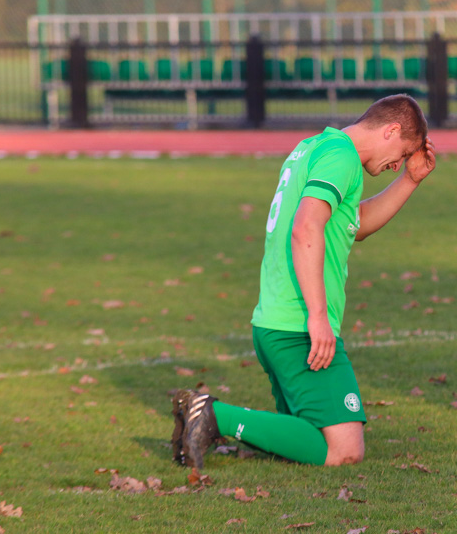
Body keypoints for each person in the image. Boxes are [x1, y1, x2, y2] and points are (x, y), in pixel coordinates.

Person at [171, 94, 436, 469]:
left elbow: (353, 226)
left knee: (309, 435)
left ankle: (208, 421)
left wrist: (410, 181)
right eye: (403, 154)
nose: (397, 165)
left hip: (273, 323)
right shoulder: (342, 157)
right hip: (297, 327)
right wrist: (317, 316)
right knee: (345, 450)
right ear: (391, 130)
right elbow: (306, 226)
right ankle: (213, 417)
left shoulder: (316, 146)